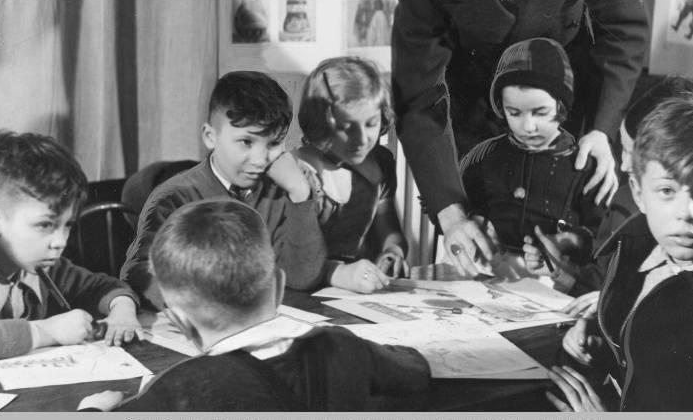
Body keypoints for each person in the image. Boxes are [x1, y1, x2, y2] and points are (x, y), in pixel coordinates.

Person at [392, 0, 649, 276]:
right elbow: (419, 97)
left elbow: (624, 30)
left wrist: (602, 128)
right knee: (479, 276)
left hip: (570, 124)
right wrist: (451, 213)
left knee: (573, 270)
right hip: (479, 135)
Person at [79, 200, 430, 411]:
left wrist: (93, 410)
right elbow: (415, 372)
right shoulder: (343, 346)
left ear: (178, 320)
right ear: (277, 286)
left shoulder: (181, 389)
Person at [547, 97, 693, 411]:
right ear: (638, 193)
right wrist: (603, 343)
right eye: (667, 191)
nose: (687, 213)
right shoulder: (639, 243)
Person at [120, 71, 327, 309]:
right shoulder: (174, 198)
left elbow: (303, 277)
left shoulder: (278, 193)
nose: (260, 159)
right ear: (210, 137)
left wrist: (300, 192)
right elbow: (139, 278)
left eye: (273, 143)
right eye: (246, 142)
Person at [0, 131, 140, 363]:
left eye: (67, 225)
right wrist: (46, 331)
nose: (60, 242)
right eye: (45, 225)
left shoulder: (45, 267)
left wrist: (123, 311)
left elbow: (103, 286)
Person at [537, 76, 693, 301]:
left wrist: (573, 283)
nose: (623, 166)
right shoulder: (624, 198)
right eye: (622, 149)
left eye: (631, 154)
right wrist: (572, 245)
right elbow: (604, 265)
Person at [460, 37, 603, 291]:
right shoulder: (487, 154)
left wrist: (566, 241)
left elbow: (600, 239)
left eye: (539, 112)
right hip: (489, 278)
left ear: (561, 107)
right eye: (514, 113)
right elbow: (464, 205)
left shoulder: (583, 163)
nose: (527, 127)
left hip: (556, 283)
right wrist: (477, 221)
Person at [293, 56, 408, 293]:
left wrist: (392, 252)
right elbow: (289, 259)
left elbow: (390, 231)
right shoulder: (298, 172)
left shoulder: (381, 162)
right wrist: (338, 273)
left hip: (363, 294)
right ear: (320, 123)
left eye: (371, 123)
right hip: (304, 294)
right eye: (347, 128)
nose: (362, 139)